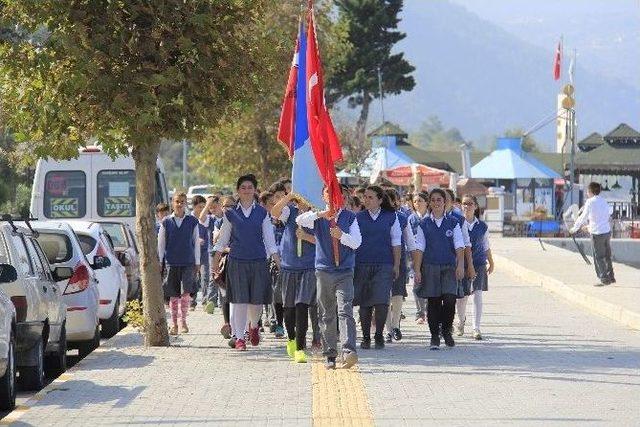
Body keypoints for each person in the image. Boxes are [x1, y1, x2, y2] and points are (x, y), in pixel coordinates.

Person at [211, 174, 280, 351]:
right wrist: (215, 262)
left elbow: (270, 242)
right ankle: (240, 338)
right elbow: (222, 240)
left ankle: (254, 326)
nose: (247, 190)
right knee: (240, 301)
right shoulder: (231, 214)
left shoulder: (263, 213)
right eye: (243, 187)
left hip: (258, 261)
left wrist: (278, 262)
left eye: (250, 187)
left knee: (256, 302)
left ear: (255, 190)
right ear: (238, 191)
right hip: (237, 262)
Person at [296, 185, 361, 370]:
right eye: (328, 193)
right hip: (324, 270)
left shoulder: (350, 217)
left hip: (344, 271)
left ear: (342, 196)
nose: (332, 196)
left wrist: (342, 236)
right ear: (323, 196)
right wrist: (320, 214)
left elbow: (357, 242)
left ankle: (348, 351)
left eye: (336, 193)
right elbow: (299, 219)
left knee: (345, 310)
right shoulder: (317, 216)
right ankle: (330, 354)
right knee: (326, 313)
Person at [412, 188, 465, 350]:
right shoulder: (424, 224)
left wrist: (460, 265)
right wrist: (417, 270)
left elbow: (459, 245)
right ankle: (434, 336)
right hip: (430, 267)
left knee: (450, 300)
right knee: (434, 302)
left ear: (445, 202)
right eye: (433, 200)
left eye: (439, 200)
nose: (436, 203)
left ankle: (447, 331)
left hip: (449, 267)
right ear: (430, 203)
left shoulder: (453, 223)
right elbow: (419, 247)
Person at [353, 185, 401, 350]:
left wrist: (396, 264)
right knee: (365, 303)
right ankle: (366, 337)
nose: (366, 200)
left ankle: (379, 334)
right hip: (362, 263)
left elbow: (396, 242)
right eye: (365, 197)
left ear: (380, 200)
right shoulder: (358, 217)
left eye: (370, 197)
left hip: (384, 264)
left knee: (381, 301)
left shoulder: (391, 217)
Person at [271, 192, 317, 363]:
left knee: (301, 305)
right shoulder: (289, 211)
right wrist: (288, 196)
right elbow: (274, 213)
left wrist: (306, 237)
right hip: (289, 266)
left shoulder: (317, 214)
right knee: (288, 307)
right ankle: (291, 338)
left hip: (309, 267)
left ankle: (300, 347)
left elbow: (323, 240)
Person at [158, 192, 201, 335]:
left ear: (185, 203)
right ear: (172, 203)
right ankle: (174, 324)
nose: (179, 204)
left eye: (182, 201)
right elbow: (161, 244)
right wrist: (160, 261)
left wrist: (197, 261)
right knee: (173, 295)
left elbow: (196, 243)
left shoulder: (192, 221)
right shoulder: (166, 222)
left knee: (185, 294)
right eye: (177, 201)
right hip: (171, 262)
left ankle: (183, 322)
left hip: (188, 262)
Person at [455, 194, 494, 340]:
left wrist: (491, 261)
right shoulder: (456, 223)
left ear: (476, 206)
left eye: (470, 204)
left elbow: (486, 246)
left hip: (478, 263)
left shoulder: (482, 226)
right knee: (462, 296)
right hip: (461, 264)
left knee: (477, 294)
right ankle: (461, 321)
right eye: (464, 203)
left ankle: (476, 328)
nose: (467, 206)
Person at [384, 188, 416, 343]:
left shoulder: (403, 218)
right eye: (387, 199)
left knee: (397, 294)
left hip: (399, 260)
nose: (390, 202)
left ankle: (395, 325)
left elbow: (410, 241)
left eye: (392, 199)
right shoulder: (377, 217)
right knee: (383, 295)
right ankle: (388, 329)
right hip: (380, 260)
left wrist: (416, 262)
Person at [570, 182, 615, 286]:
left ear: (590, 191)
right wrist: (589, 226)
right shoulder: (604, 201)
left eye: (587, 191)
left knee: (598, 256)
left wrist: (574, 228)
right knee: (607, 255)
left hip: (597, 233)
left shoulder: (590, 202)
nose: (586, 193)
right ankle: (611, 276)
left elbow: (583, 217)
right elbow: (607, 214)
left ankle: (604, 279)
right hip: (606, 231)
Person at [199, 195, 224, 314]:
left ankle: (222, 301)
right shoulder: (211, 219)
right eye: (211, 208)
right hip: (213, 251)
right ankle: (211, 301)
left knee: (223, 275)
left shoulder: (227, 217)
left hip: (226, 251)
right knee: (213, 276)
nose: (213, 209)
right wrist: (207, 204)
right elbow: (201, 217)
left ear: (220, 205)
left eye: (215, 206)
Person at [408, 192, 429, 324]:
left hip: (430, 255)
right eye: (415, 201)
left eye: (420, 201)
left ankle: (429, 310)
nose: (417, 204)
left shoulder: (431, 218)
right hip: (415, 256)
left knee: (430, 284)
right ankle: (420, 312)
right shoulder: (411, 218)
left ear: (427, 202)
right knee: (417, 284)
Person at [190, 195, 210, 309]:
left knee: (205, 276)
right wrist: (195, 240)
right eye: (199, 207)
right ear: (193, 207)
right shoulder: (189, 219)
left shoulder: (206, 218)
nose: (202, 209)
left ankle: (205, 300)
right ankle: (192, 301)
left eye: (204, 207)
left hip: (204, 252)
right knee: (193, 277)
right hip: (192, 253)